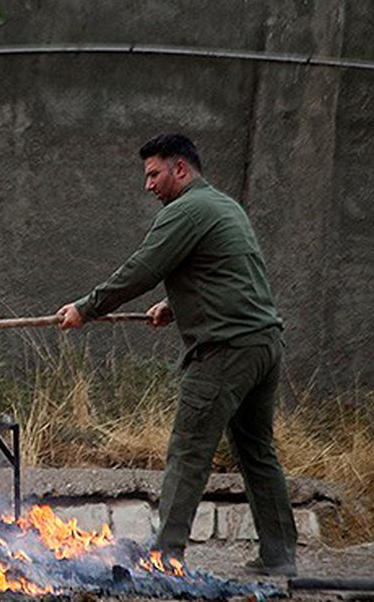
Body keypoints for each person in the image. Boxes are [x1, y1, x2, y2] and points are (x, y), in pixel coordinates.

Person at [56, 133, 297, 577]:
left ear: (180, 169)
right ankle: (280, 555)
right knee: (257, 451)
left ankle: (165, 555)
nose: (148, 185)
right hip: (264, 344)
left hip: (225, 350)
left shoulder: (185, 211)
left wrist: (86, 309)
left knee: (188, 452)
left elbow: (142, 269)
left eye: (154, 174)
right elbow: (231, 269)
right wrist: (177, 304)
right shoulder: (224, 206)